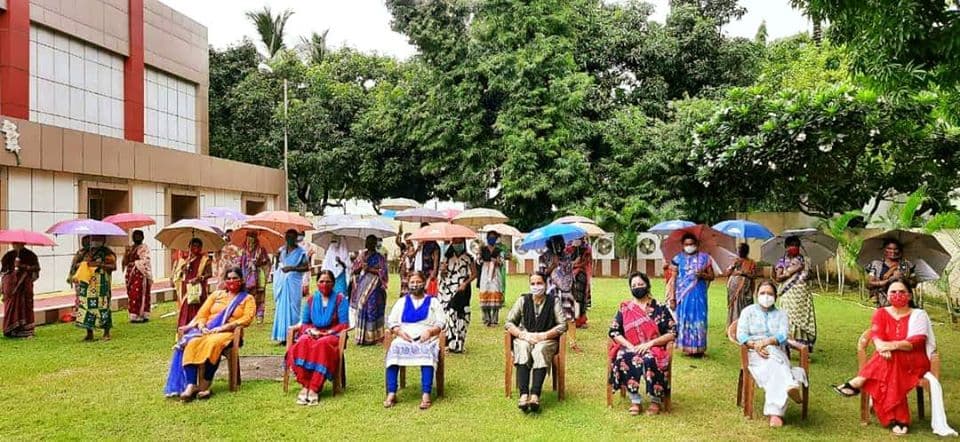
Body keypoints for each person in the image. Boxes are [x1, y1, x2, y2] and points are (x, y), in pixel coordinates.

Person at [833, 280, 956, 436]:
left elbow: (916, 342)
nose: (897, 295)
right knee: (892, 362)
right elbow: (876, 334)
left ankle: (858, 381)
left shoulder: (919, 315)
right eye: (893, 292)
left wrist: (890, 346)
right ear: (887, 295)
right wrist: (881, 347)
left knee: (894, 356)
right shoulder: (881, 312)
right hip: (890, 359)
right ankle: (901, 419)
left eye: (902, 292)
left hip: (915, 361)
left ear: (910, 295)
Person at [163, 267, 255, 401]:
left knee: (213, 343)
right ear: (224, 281)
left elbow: (247, 318)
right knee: (193, 342)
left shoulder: (247, 298)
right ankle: (191, 385)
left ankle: (205, 386)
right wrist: (201, 326)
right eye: (228, 278)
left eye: (235, 278)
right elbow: (202, 314)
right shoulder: (217, 295)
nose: (231, 281)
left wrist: (226, 327)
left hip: (228, 333)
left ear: (241, 280)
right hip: (208, 330)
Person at [737, 280, 807, 428]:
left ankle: (775, 412)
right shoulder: (747, 312)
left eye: (769, 293)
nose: (766, 296)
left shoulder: (781, 314)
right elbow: (741, 335)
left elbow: (783, 335)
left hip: (776, 350)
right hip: (753, 352)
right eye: (762, 293)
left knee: (775, 363)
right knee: (776, 366)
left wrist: (767, 342)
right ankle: (788, 387)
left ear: (775, 296)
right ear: (757, 295)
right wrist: (756, 345)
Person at [609, 271, 676, 416]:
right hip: (631, 346)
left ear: (647, 285)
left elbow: (672, 332)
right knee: (625, 357)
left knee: (650, 359)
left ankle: (655, 400)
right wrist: (629, 346)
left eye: (640, 284)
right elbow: (614, 331)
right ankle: (635, 400)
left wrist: (650, 344)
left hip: (654, 346)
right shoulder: (625, 308)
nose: (637, 287)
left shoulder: (659, 308)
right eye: (634, 285)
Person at [505, 272, 567, 413]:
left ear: (546, 285)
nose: (536, 287)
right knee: (522, 347)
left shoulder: (553, 301)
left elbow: (562, 325)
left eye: (539, 283)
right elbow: (509, 323)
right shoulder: (523, 300)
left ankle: (535, 395)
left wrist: (544, 335)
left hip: (546, 340)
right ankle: (524, 394)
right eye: (532, 284)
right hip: (525, 337)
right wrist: (522, 334)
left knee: (539, 349)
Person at [383, 271, 446, 410]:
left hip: (426, 338)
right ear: (408, 284)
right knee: (394, 349)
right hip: (405, 337)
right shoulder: (402, 301)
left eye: (418, 282)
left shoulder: (433, 301)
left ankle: (426, 394)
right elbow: (392, 321)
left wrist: (430, 331)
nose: (415, 285)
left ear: (424, 283)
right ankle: (392, 393)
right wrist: (399, 331)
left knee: (427, 352)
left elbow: (441, 322)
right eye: (412, 282)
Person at [286, 270, 350, 405]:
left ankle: (314, 388)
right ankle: (305, 385)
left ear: (333, 284)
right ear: (317, 284)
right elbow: (305, 322)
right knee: (302, 342)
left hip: (332, 335)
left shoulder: (340, 300)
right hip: (313, 333)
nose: (324, 284)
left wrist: (328, 332)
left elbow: (344, 324)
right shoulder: (311, 300)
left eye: (328, 281)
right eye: (321, 281)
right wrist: (311, 331)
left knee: (322, 344)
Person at [667, 233, 715, 356]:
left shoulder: (705, 258)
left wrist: (703, 275)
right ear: (682, 245)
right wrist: (672, 298)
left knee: (700, 319)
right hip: (683, 295)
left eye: (692, 244)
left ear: (697, 245)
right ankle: (687, 347)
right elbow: (673, 279)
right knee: (684, 318)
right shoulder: (677, 259)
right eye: (687, 244)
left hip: (699, 295)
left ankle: (699, 348)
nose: (689, 246)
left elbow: (712, 276)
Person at [773, 236, 817, 350]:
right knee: (788, 320)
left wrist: (806, 271)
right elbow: (778, 278)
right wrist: (791, 271)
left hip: (802, 295)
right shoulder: (782, 261)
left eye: (796, 245)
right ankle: (787, 346)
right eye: (791, 245)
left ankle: (805, 349)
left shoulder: (805, 260)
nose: (794, 247)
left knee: (803, 321)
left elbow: (811, 276)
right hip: (788, 295)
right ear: (786, 247)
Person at [438, 237, 477, 353]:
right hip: (447, 290)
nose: (457, 244)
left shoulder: (468, 257)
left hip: (462, 290)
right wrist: (443, 270)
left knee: (462, 315)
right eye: (455, 242)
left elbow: (474, 274)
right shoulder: (446, 257)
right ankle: (450, 343)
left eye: (460, 242)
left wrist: (465, 283)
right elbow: (443, 276)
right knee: (449, 315)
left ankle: (460, 343)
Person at [75, 235, 117, 341]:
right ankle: (89, 333)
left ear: (103, 240)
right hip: (87, 286)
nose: (95, 241)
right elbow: (76, 265)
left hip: (102, 285)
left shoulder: (107, 253)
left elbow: (113, 267)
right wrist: (85, 264)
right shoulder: (85, 252)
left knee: (103, 306)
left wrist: (100, 264)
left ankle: (106, 333)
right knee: (87, 307)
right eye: (94, 239)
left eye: (98, 239)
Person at [349, 234, 388, 345]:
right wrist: (360, 266)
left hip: (375, 285)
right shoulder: (362, 255)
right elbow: (354, 270)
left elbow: (383, 272)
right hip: (362, 284)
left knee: (372, 308)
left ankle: (374, 337)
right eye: (368, 241)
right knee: (361, 307)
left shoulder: (380, 257)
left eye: (372, 242)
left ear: (375, 244)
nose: (369, 244)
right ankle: (362, 337)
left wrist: (369, 269)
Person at [272, 229, 309, 344]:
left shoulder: (301, 252)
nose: (290, 239)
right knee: (281, 307)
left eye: (292, 237)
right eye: (288, 237)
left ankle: (294, 335)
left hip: (294, 282)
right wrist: (277, 258)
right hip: (282, 282)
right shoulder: (281, 250)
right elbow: (278, 266)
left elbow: (306, 267)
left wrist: (292, 268)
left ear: (296, 238)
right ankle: (282, 335)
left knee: (294, 308)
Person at [2, 242, 40, 338]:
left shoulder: (30, 255)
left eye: (18, 244)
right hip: (11, 287)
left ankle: (25, 330)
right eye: (14, 244)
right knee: (11, 306)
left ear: (23, 244)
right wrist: (12, 271)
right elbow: (3, 270)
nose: (15, 245)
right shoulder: (8, 255)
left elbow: (36, 268)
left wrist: (23, 267)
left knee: (25, 306)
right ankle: (12, 329)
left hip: (24, 287)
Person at [866, 239, 917, 307]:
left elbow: (914, 283)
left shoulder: (907, 265)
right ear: (884, 250)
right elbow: (869, 284)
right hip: (884, 302)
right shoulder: (876, 264)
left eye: (896, 249)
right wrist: (888, 280)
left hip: (904, 302)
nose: (892, 251)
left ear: (900, 250)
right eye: (889, 248)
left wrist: (902, 278)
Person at [177, 238, 212, 328]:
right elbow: (179, 274)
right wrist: (185, 266)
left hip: (199, 288)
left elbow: (209, 274)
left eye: (198, 246)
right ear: (189, 247)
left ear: (201, 248)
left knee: (199, 308)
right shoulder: (184, 259)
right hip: (187, 287)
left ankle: (198, 328)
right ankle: (184, 329)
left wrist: (200, 278)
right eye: (193, 245)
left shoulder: (205, 259)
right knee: (186, 308)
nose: (195, 248)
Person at [723, 243, 757, 327]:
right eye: (738, 249)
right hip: (733, 289)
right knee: (734, 306)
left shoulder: (751, 262)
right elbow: (727, 273)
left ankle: (745, 326)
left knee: (746, 306)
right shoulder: (735, 261)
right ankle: (733, 326)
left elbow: (753, 276)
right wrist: (734, 266)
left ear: (746, 251)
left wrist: (743, 273)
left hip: (745, 289)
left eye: (741, 249)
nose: (739, 251)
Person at [478, 231, 508, 327]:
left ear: (496, 239)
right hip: (485, 273)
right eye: (490, 237)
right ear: (487, 238)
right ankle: (486, 319)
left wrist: (497, 261)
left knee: (495, 292)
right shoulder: (483, 249)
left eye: (493, 237)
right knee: (485, 292)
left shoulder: (499, 250)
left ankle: (494, 319)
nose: (491, 239)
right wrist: (480, 257)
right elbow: (478, 261)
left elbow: (502, 262)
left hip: (495, 273)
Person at [239, 232, 270, 324]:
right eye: (248, 238)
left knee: (259, 296)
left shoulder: (261, 250)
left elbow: (267, 262)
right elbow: (239, 263)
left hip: (258, 276)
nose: (250, 241)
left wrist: (257, 263)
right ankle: (246, 315)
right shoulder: (242, 250)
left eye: (252, 238)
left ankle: (259, 316)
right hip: (245, 276)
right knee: (245, 297)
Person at [123, 230, 153, 323]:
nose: (137, 238)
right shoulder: (130, 248)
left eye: (139, 236)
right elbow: (125, 262)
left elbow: (146, 260)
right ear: (132, 237)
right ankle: (134, 314)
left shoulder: (144, 248)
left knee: (139, 293)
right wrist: (126, 253)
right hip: (130, 273)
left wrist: (137, 263)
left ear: (143, 237)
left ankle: (142, 314)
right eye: (135, 236)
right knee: (131, 294)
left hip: (141, 274)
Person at [570, 238, 592, 329]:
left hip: (582, 274)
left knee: (581, 297)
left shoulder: (586, 248)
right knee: (572, 297)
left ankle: (581, 320)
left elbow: (587, 261)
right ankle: (573, 318)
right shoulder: (569, 248)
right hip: (571, 275)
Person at [67, 235, 91, 317]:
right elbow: (74, 265)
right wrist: (83, 264)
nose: (85, 244)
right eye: (84, 242)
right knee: (80, 295)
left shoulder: (94, 252)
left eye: (87, 242)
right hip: (80, 278)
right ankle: (79, 311)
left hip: (91, 278)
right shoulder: (80, 252)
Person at [396, 228, 417, 295]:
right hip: (403, 268)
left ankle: (410, 296)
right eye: (406, 238)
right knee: (403, 283)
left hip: (411, 268)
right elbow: (397, 242)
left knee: (410, 283)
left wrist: (415, 251)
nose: (407, 239)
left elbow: (411, 256)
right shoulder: (403, 246)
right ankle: (403, 295)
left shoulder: (414, 247)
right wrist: (399, 234)